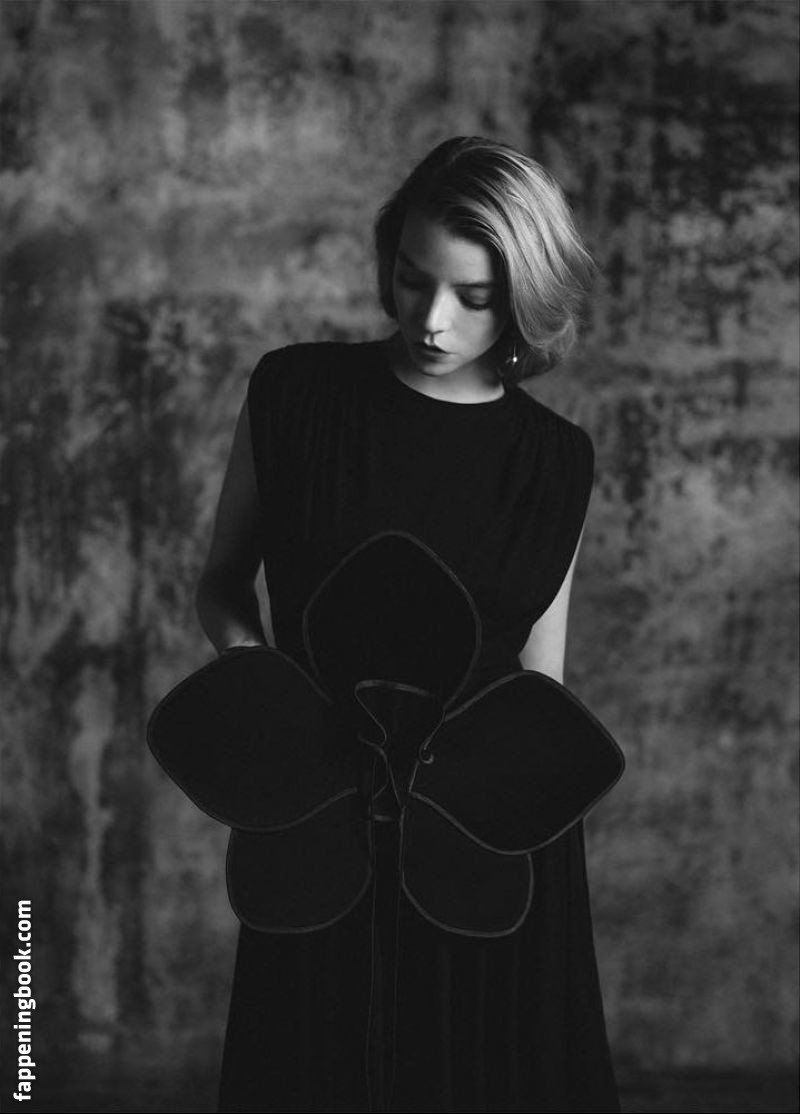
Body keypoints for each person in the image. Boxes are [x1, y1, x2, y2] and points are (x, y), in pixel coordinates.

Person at [194, 136, 621, 1113]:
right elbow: (221, 583)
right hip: (318, 803)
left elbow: (540, 685)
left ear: (522, 298)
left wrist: (507, 819)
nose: (432, 319)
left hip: (483, 827)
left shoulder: (554, 459)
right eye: (412, 279)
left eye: (473, 297)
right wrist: (269, 689)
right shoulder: (294, 394)